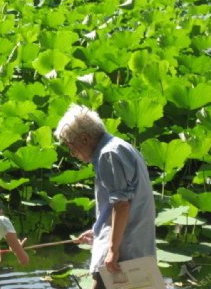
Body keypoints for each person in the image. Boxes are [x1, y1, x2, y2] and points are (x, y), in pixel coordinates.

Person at [54, 104, 156, 289]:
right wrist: (97, 229)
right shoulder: (121, 146)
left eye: (71, 146)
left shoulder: (108, 155)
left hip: (124, 249)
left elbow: (122, 205)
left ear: (84, 138)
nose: (72, 153)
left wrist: (112, 249)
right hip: (135, 243)